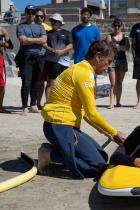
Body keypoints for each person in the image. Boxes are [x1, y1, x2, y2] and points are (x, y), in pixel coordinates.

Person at [39, 41, 127, 178]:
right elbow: (92, 114)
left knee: (102, 157)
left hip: (62, 125)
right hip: (59, 125)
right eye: (108, 61)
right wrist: (114, 133)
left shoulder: (82, 70)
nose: (109, 66)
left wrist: (108, 134)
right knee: (97, 168)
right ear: (98, 57)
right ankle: (50, 153)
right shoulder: (84, 73)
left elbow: (85, 114)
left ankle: (62, 152)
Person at [16, 5, 47, 116]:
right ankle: (25, 107)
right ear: (25, 13)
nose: (31, 15)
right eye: (28, 12)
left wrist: (30, 40)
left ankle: (33, 105)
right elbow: (23, 41)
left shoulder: (40, 27)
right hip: (26, 58)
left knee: (36, 82)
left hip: (39, 58)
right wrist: (37, 40)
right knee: (26, 82)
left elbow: (44, 40)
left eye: (32, 13)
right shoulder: (20, 26)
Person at [43, 13, 73, 99]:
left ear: (60, 22)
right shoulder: (47, 33)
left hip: (65, 63)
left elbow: (71, 45)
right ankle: (48, 103)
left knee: (64, 83)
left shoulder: (67, 33)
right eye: (52, 21)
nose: (53, 22)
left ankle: (63, 102)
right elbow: (44, 44)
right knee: (50, 83)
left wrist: (61, 52)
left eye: (55, 21)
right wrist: (53, 50)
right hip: (51, 61)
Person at [105, 18, 130, 109]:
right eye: (115, 25)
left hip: (122, 60)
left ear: (121, 26)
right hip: (112, 61)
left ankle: (118, 102)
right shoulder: (109, 36)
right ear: (113, 26)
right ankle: (111, 103)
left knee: (119, 82)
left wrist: (118, 47)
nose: (117, 27)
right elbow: (109, 46)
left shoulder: (125, 36)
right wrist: (120, 47)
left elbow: (127, 48)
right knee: (113, 83)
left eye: (119, 25)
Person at [35, 8, 52, 109]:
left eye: (41, 16)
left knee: (48, 82)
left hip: (47, 58)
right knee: (38, 82)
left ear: (44, 18)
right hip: (35, 58)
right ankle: (36, 103)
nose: (39, 18)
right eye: (37, 16)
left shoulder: (48, 28)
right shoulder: (30, 26)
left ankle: (47, 103)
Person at [0, 27, 14, 113]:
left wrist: (6, 41)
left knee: (1, 84)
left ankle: (0, 106)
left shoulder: (2, 30)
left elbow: (10, 46)